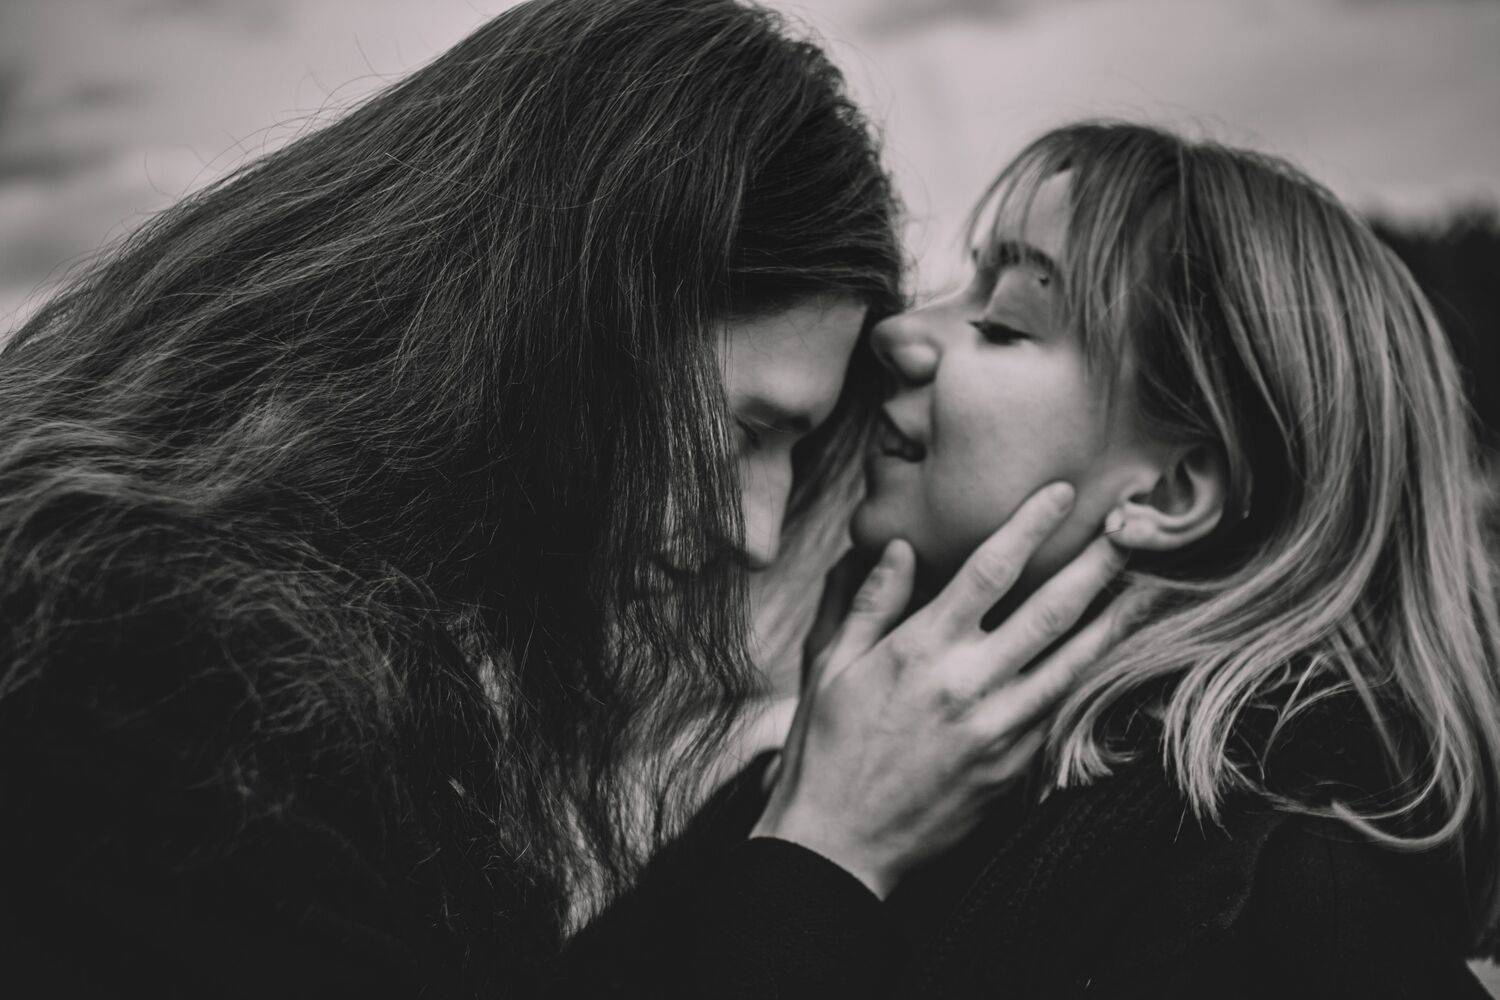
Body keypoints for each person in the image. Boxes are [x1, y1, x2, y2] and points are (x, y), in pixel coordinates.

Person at [0, 3, 1128, 997]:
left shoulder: (254, 638)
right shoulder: (150, 670)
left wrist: (801, 822)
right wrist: (829, 858)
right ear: (563, 328)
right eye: (749, 432)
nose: (758, 531)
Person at [847, 121, 1500, 997]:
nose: (898, 332)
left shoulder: (1296, 915)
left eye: (1002, 323)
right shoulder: (956, 791)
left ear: (1167, 492)